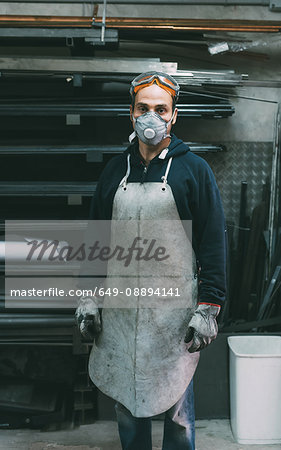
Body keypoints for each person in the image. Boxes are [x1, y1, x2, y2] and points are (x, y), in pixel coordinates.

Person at [75, 71, 226, 450]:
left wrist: (208, 306)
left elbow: (213, 244)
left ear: (174, 115)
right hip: (121, 316)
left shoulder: (194, 171)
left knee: (177, 418)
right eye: (143, 108)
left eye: (161, 109)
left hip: (173, 318)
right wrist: (89, 298)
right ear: (131, 112)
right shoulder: (114, 172)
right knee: (128, 407)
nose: (151, 117)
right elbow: (97, 238)